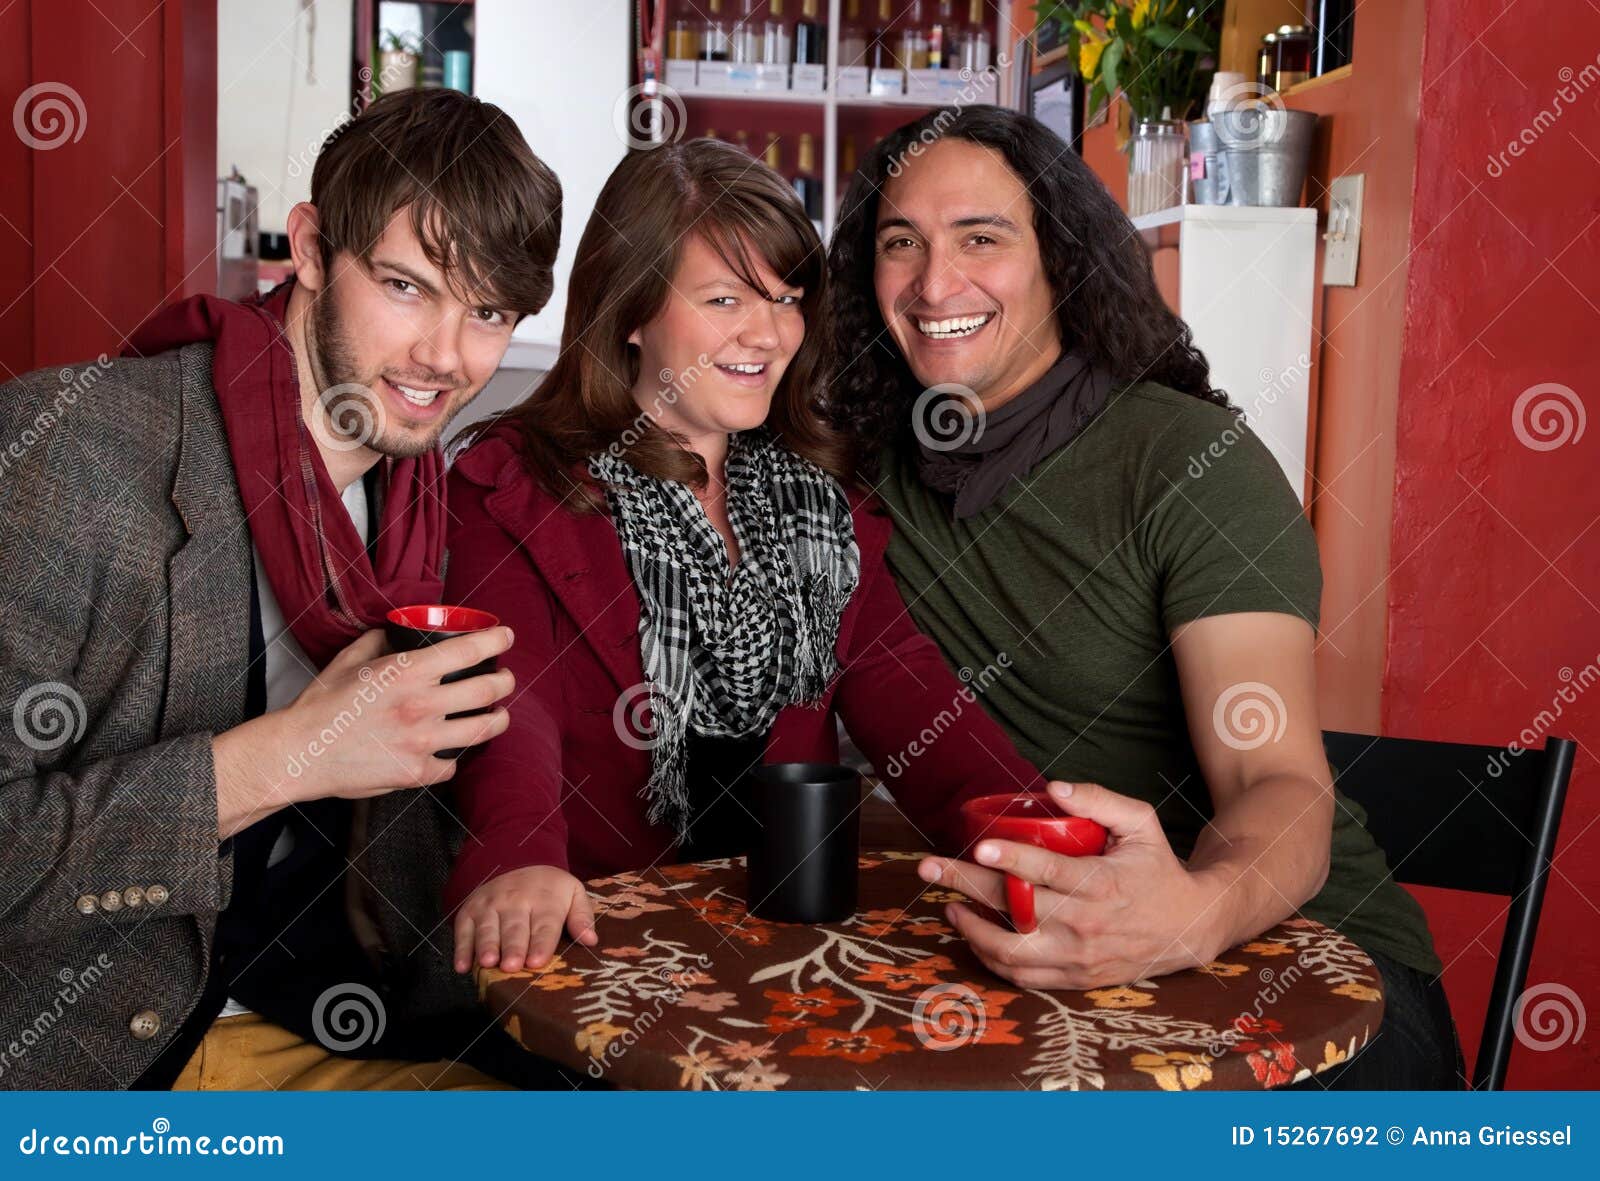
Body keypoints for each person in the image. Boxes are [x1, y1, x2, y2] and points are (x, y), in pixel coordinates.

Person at [822, 105, 1463, 1090]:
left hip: (1314, 969)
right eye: (899, 243)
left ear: (1060, 262)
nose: (934, 283)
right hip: (1045, 966)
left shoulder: (1186, 463)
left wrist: (1190, 909)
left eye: (980, 238)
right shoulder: (865, 473)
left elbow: (1274, 778)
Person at [0, 88, 565, 1090]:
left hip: (334, 1011)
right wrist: (289, 757)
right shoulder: (71, 454)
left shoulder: (424, 495)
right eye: (405, 285)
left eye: (488, 311)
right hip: (96, 1053)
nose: (445, 355)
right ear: (308, 249)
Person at [440, 138, 1046, 976]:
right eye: (725, 298)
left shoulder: (824, 496)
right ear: (630, 309)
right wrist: (519, 857)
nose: (768, 333)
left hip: (786, 945)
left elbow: (909, 694)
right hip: (586, 944)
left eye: (788, 297)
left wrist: (1033, 837)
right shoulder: (513, 482)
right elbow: (516, 704)